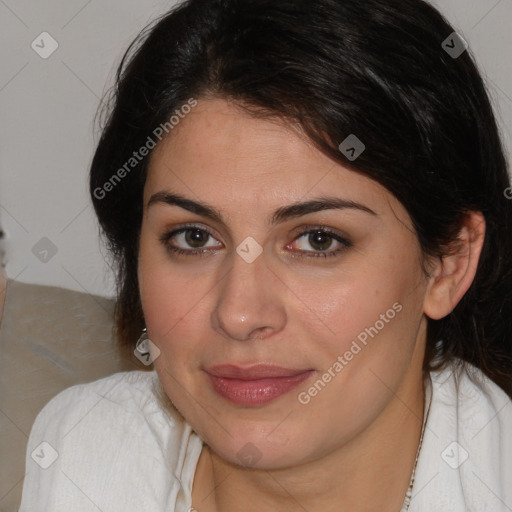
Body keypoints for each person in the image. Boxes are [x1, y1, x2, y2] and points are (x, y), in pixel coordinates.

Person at [19, 0, 512, 510]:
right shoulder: (83, 451)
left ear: (448, 263)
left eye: (318, 240)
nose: (239, 314)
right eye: (193, 237)